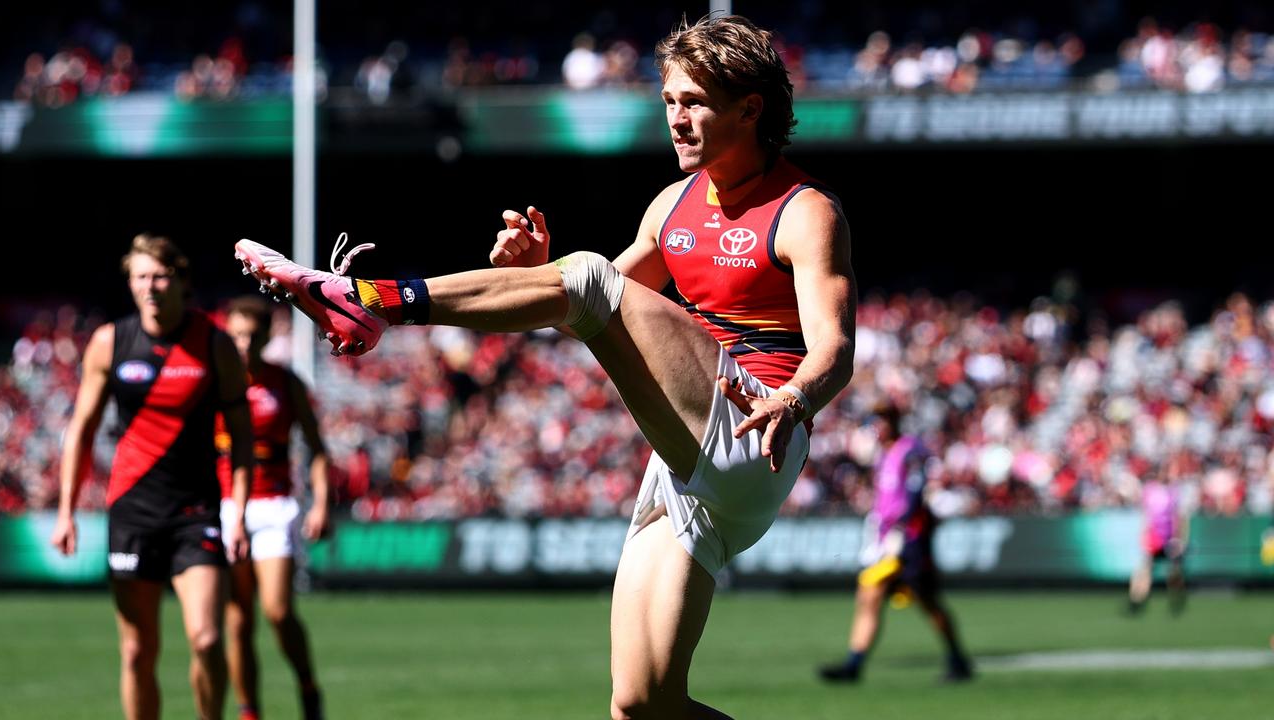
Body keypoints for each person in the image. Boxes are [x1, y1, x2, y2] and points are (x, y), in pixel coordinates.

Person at [235, 14, 856, 719]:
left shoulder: (807, 211)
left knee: (585, 278)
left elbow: (835, 349)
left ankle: (370, 300)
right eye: (669, 102)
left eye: (694, 103)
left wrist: (797, 398)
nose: (676, 120)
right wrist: (538, 277)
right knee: (640, 703)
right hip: (687, 463)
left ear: (750, 108)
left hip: (757, 424)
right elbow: (589, 316)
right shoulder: (671, 207)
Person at [51, 233, 253, 720]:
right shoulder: (109, 343)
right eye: (141, 276)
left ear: (182, 282)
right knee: (137, 652)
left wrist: (238, 511)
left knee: (206, 638)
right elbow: (80, 431)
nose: (151, 286)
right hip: (133, 510)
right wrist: (66, 512)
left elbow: (241, 436)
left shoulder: (214, 343)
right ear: (130, 283)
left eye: (161, 276)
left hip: (196, 510)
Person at [216, 297, 329, 720]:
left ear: (266, 337)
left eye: (251, 335)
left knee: (278, 612)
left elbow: (318, 449)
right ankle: (249, 710)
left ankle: (307, 683)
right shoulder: (216, 383)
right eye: (236, 335)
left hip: (275, 506)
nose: (243, 344)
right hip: (227, 507)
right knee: (238, 622)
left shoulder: (285, 383)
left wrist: (320, 503)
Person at [819, 405, 972, 684]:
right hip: (886, 542)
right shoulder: (884, 456)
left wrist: (902, 528)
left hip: (909, 539)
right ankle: (853, 664)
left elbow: (915, 490)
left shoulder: (909, 450)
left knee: (927, 601)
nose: (877, 428)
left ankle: (958, 658)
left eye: (881, 422)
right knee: (869, 594)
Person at [1127, 456, 1189, 616]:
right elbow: (1146, 515)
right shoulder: (1150, 490)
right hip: (1154, 537)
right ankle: (1136, 601)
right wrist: (1144, 534)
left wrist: (1179, 538)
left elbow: (1179, 517)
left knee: (1174, 573)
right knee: (1144, 570)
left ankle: (1177, 601)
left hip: (1169, 538)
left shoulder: (1174, 491)